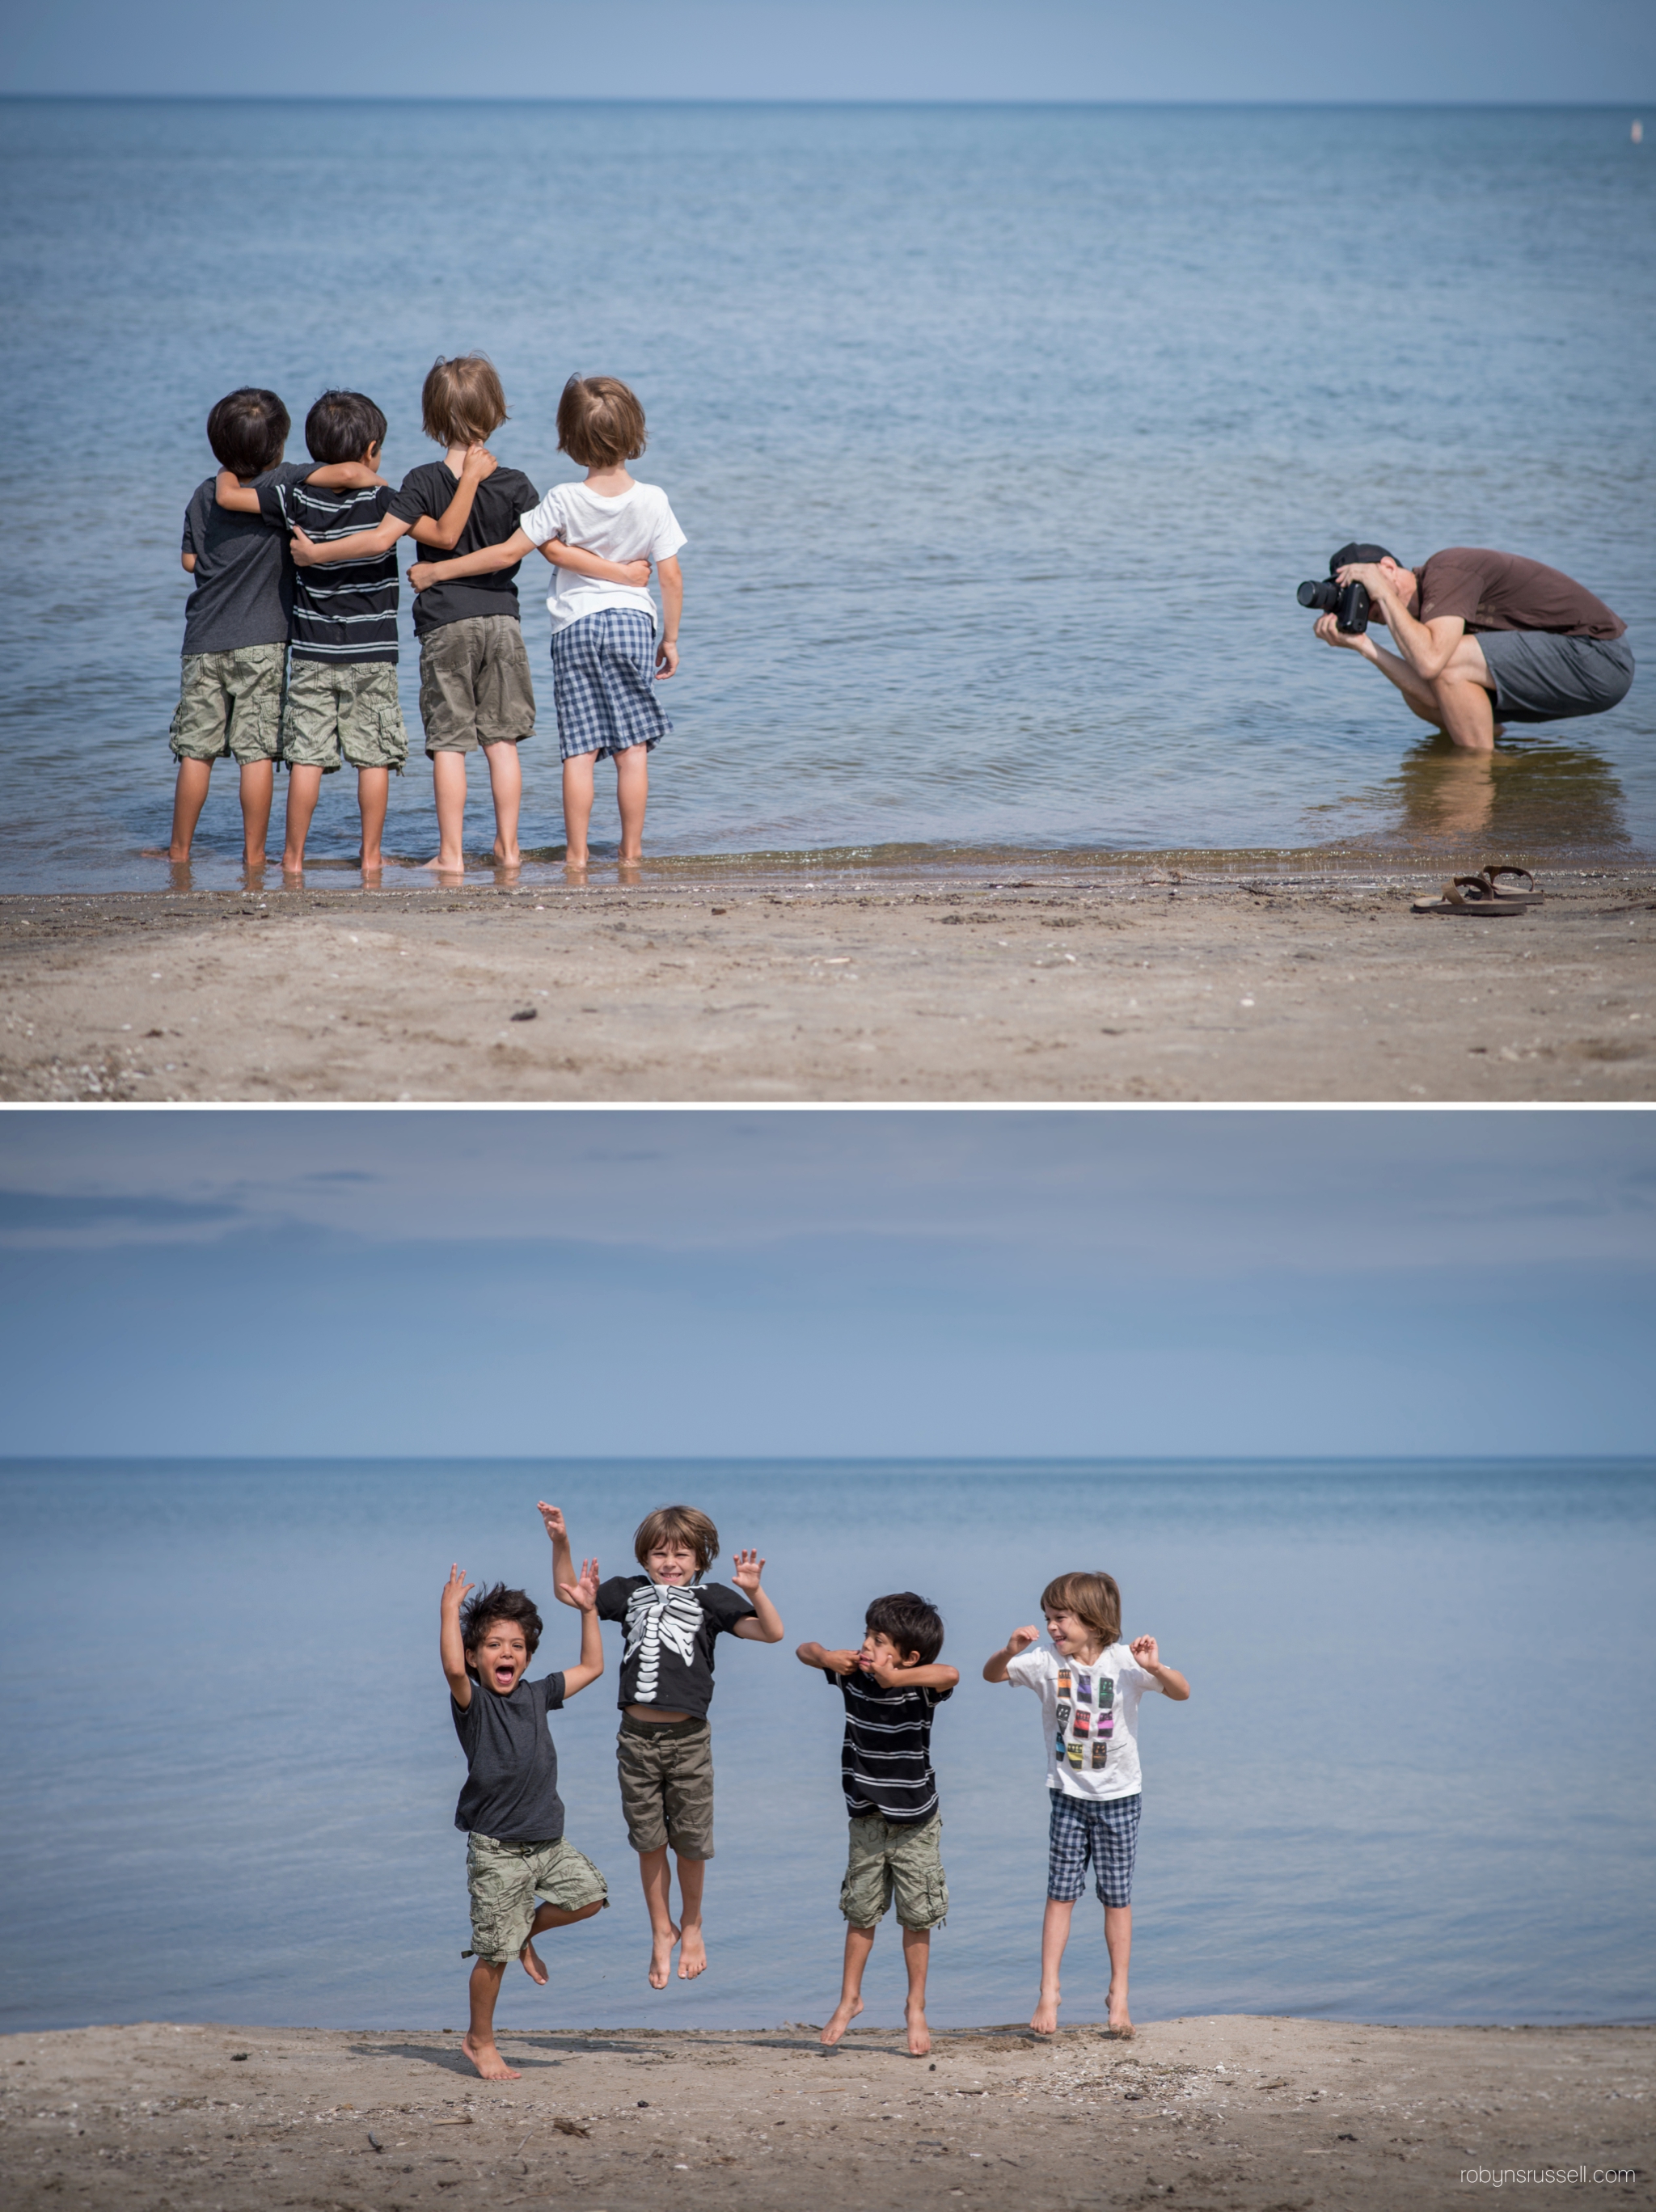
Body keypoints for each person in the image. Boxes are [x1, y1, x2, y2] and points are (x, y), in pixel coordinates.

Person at [290, 356, 648, 873]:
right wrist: (624, 573)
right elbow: (556, 551)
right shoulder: (518, 484)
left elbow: (378, 540)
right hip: (503, 623)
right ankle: (508, 847)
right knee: (502, 741)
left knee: (451, 746)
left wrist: (318, 553)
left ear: (433, 419)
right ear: (497, 411)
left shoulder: (419, 481)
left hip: (443, 626)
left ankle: (452, 855)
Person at [408, 374, 685, 870]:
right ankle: (631, 853)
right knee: (632, 750)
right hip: (631, 624)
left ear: (569, 439)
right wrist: (670, 637)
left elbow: (517, 550)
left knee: (579, 750)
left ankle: (576, 857)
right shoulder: (655, 499)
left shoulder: (560, 498)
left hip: (575, 626)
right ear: (635, 430)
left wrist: (439, 569)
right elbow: (671, 577)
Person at [547, 1501, 782, 1988]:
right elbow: (569, 1592)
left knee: (691, 1843)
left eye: (681, 1554)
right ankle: (661, 1930)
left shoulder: (712, 1598)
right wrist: (561, 1543)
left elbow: (771, 1633)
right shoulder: (628, 1592)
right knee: (648, 1841)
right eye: (659, 1553)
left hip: (689, 1739)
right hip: (635, 1739)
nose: (669, 1562)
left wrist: (756, 1593)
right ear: (643, 1558)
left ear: (700, 1558)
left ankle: (692, 1926)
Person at [213, 390, 444, 874]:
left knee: (307, 759)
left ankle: (293, 859)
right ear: (372, 450)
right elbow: (441, 533)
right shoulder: (387, 501)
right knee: (374, 757)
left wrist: (225, 467)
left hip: (314, 652)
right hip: (374, 652)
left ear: (314, 449)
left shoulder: (293, 494)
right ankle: (371, 856)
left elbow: (231, 497)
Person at [167, 388, 377, 867]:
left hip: (203, 641)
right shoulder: (285, 482)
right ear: (279, 445)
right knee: (256, 751)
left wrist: (223, 487)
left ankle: (179, 852)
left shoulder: (204, 494)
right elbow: (347, 472)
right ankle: (256, 854)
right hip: (263, 641)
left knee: (196, 751)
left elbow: (189, 560)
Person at [983, 1570, 1189, 2039]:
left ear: (1094, 1622)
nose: (1052, 1627)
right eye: (1048, 1618)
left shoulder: (1125, 1662)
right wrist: (1010, 1650)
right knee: (1061, 1894)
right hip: (1067, 1797)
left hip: (1120, 1799)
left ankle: (1119, 1994)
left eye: (1060, 1618)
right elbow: (991, 1675)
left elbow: (1182, 1691)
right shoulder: (1042, 1663)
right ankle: (1049, 1991)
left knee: (1116, 1898)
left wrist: (1156, 1667)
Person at [440, 1522, 609, 2083]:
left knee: (591, 1897)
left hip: (547, 1841)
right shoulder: (474, 1703)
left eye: (515, 1646)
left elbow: (592, 1667)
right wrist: (449, 1613)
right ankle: (479, 2040)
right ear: (476, 1657)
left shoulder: (537, 1696)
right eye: (493, 1646)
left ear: (528, 1658)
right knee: (493, 1953)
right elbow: (449, 1667)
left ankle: (527, 1935)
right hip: (498, 1852)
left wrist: (588, 1610)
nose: (506, 1653)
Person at [796, 1593, 959, 2058]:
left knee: (917, 1916)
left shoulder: (920, 1687)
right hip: (865, 1817)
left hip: (916, 1823)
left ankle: (915, 2007)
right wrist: (827, 1656)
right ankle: (851, 1998)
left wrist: (899, 1676)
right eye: (866, 1634)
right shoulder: (854, 1677)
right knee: (861, 1911)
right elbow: (803, 1650)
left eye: (878, 1640)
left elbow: (951, 1673)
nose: (866, 1645)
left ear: (908, 1657)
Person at [1310, 541, 1634, 754]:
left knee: (1444, 662)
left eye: (1362, 589)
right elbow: (1427, 686)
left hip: (1598, 656)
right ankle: (1500, 772)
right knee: (1415, 694)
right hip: (1571, 664)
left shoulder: (1447, 569)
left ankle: (1476, 778)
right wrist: (1364, 646)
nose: (1365, 604)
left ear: (1389, 569)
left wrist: (1380, 592)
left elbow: (1432, 662)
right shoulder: (1420, 619)